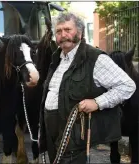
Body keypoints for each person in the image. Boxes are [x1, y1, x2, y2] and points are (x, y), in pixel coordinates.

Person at [38, 12, 136, 164]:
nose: (63, 35)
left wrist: (97, 102)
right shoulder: (57, 58)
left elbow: (127, 86)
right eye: (58, 31)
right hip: (51, 135)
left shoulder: (95, 58)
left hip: (74, 139)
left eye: (67, 30)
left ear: (80, 32)